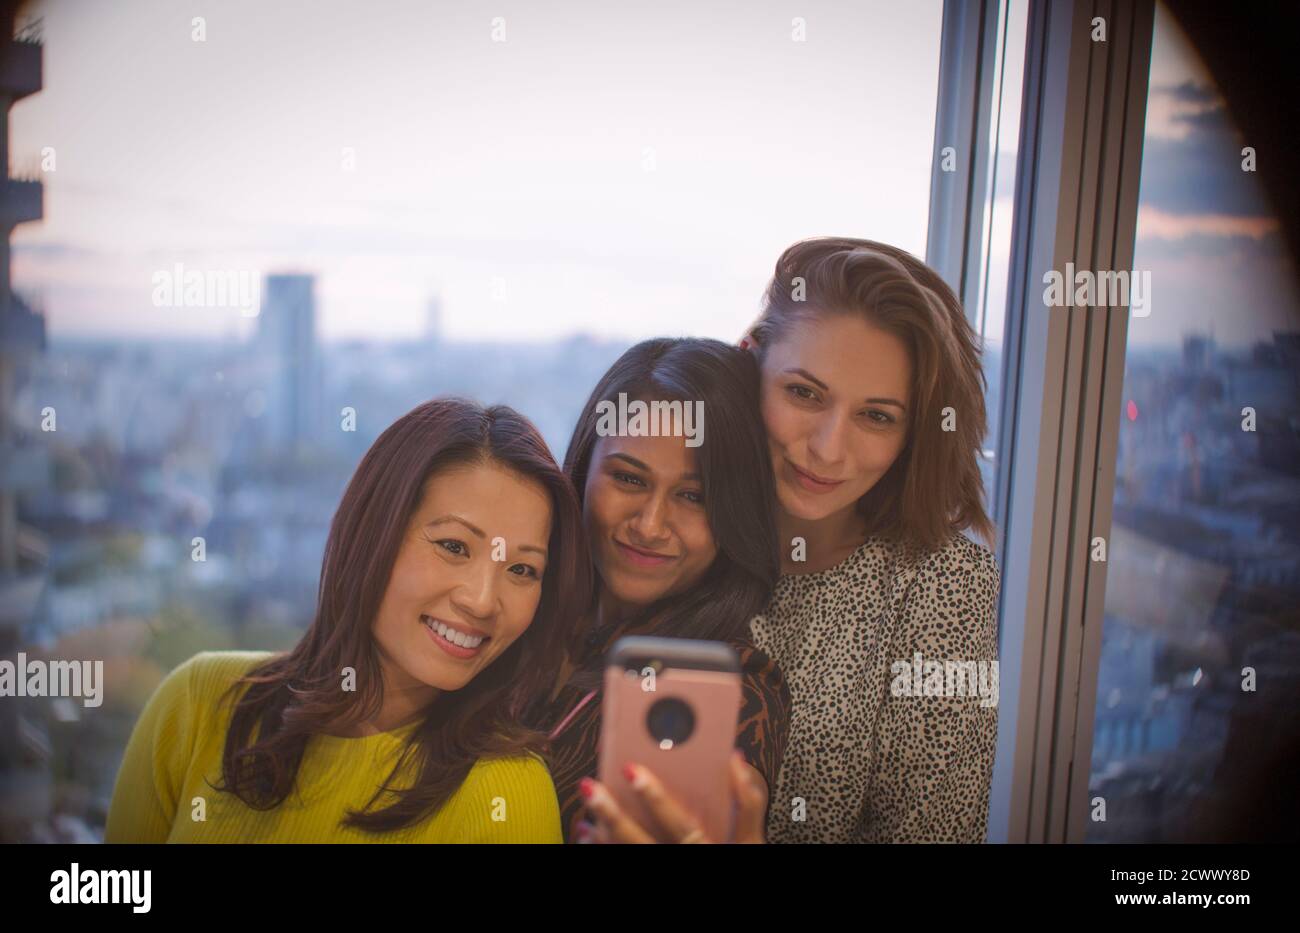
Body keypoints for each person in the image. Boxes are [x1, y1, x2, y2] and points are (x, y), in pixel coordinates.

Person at [587, 238, 1001, 843]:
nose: (828, 449)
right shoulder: (665, 528)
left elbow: (937, 835)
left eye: (876, 416)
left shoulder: (946, 585)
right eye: (804, 393)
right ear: (749, 360)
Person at [106, 398, 590, 843]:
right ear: (372, 532)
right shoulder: (196, 705)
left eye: (523, 570)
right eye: (453, 546)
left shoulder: (508, 794)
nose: (483, 601)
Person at [529, 338, 790, 843]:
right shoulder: (520, 604)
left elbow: (724, 808)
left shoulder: (735, 683)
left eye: (693, 496)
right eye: (629, 478)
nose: (650, 526)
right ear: (584, 469)